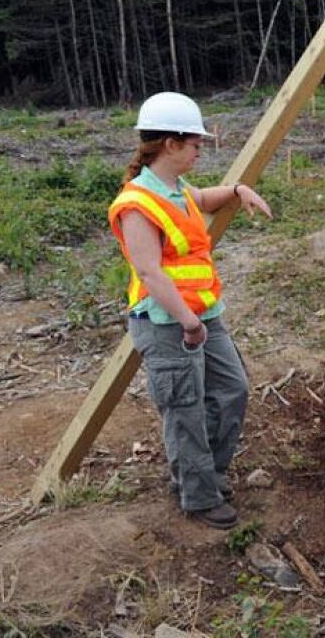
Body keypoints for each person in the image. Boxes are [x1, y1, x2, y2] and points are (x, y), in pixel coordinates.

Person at [109, 92, 272, 530]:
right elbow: (149, 271)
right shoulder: (137, 203)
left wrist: (238, 191)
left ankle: (206, 475)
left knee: (232, 388)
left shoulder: (175, 189)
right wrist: (188, 322)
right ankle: (197, 496)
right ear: (170, 144)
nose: (201, 149)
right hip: (169, 324)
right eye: (196, 143)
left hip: (203, 315)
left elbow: (201, 197)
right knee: (185, 410)